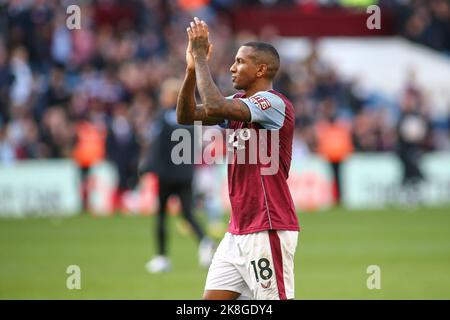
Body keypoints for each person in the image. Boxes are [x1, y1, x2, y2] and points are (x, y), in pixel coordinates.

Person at [177, 17, 300, 300]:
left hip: (267, 226)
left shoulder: (273, 103)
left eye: (240, 62)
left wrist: (200, 55)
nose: (232, 67)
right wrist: (191, 70)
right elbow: (185, 116)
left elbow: (215, 104)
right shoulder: (239, 103)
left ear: (261, 69)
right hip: (238, 230)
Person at [141, 78, 215, 273]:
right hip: (185, 174)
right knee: (188, 213)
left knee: (161, 216)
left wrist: (146, 169)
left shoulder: (163, 117)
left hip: (166, 174)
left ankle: (161, 258)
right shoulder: (191, 116)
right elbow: (196, 145)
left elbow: (157, 146)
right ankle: (205, 242)